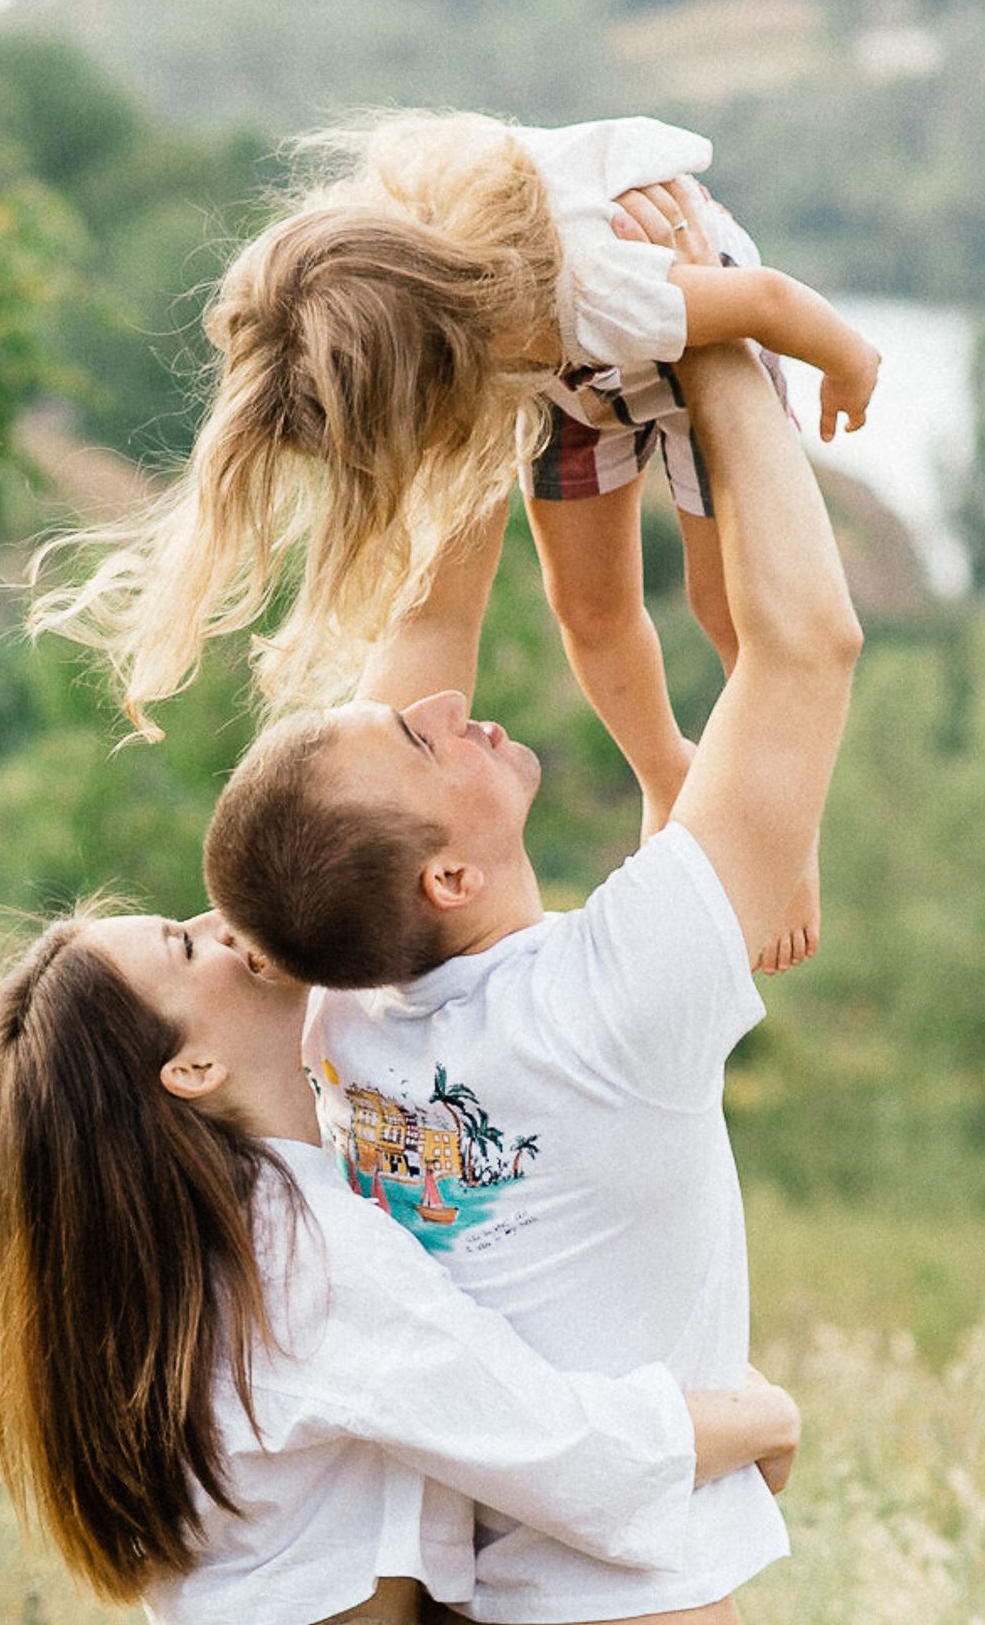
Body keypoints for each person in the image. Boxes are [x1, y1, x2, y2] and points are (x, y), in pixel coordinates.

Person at [202, 321, 863, 1623]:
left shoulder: (345, 1020)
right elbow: (810, 645)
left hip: (483, 1588)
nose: (448, 707)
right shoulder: (611, 1000)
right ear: (443, 880)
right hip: (635, 1597)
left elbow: (436, 607)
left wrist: (484, 352)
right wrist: (708, 335)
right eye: (417, 741)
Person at [30, 111, 879, 972]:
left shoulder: (606, 289)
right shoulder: (415, 305)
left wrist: (846, 361)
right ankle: (667, 769)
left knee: (726, 604)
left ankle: (784, 831)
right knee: (588, 605)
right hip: (560, 375)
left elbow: (769, 302)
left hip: (684, 313)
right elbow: (443, 612)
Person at [0, 901, 803, 1625]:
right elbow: (557, 1451)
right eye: (184, 944)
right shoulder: (300, 1261)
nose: (222, 921)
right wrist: (762, 1419)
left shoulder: (235, 1247)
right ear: (194, 1068)